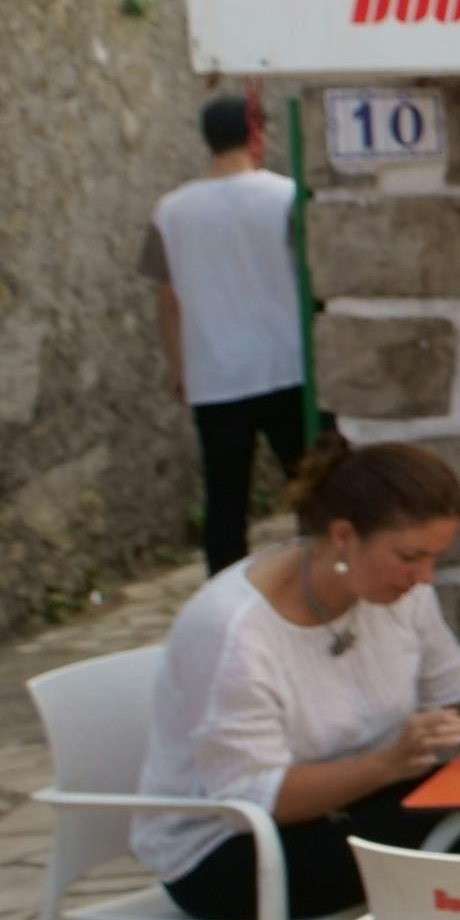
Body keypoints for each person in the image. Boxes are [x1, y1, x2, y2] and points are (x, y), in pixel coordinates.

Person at [138, 438, 460, 920]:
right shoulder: (233, 632)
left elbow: (454, 678)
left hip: (345, 807)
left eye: (434, 558)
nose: (424, 577)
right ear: (343, 536)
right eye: (410, 556)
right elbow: (258, 797)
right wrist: (388, 764)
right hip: (229, 851)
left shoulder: (397, 591)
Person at [145, 95, 306, 574]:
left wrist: (179, 366)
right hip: (289, 365)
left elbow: (167, 296)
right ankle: (326, 585)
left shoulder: (169, 212)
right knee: (315, 489)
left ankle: (226, 602)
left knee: (225, 502)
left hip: (216, 373)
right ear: (256, 134)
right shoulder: (288, 197)